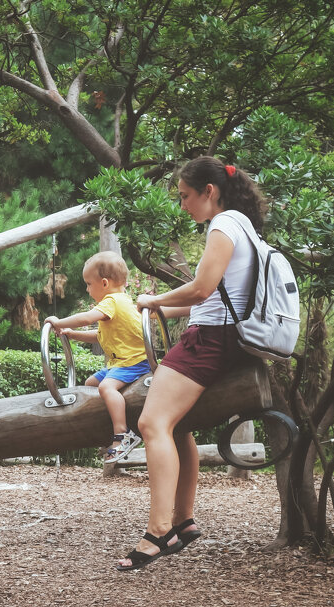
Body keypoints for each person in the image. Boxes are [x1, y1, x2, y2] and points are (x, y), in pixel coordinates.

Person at [116, 156, 264, 571]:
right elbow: (217, 297)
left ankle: (158, 529)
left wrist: (152, 300)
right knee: (177, 424)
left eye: (185, 196)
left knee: (151, 424)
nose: (183, 205)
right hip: (223, 335)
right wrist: (166, 311)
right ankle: (183, 521)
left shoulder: (223, 225)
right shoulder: (244, 226)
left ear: (208, 192)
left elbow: (202, 290)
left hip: (209, 340)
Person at [45, 251, 150, 464]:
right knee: (91, 383)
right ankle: (108, 429)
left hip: (134, 362)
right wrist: (72, 335)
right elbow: (99, 336)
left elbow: (86, 318)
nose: (87, 289)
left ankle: (123, 435)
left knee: (106, 388)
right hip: (121, 363)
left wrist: (60, 322)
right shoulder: (122, 302)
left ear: (104, 283)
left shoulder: (112, 301)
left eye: (88, 284)